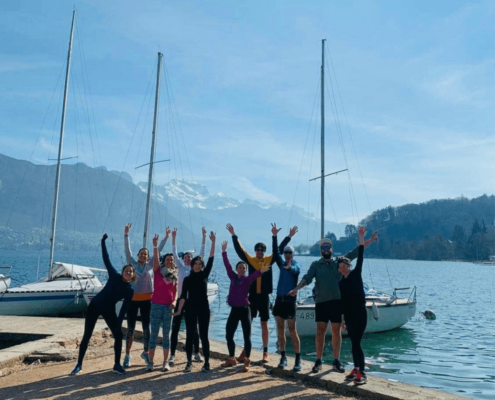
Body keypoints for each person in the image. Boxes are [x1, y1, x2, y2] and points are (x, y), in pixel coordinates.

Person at [289, 232, 377, 373]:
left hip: (337, 303)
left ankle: (336, 361)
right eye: (323, 247)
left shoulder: (340, 261)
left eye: (328, 247)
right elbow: (307, 278)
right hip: (322, 303)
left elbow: (357, 252)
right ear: (321, 250)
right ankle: (318, 361)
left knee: (336, 332)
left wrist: (370, 241)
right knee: (320, 331)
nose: (326, 249)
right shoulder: (316, 264)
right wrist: (296, 289)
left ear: (332, 249)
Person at [70, 234, 136, 376]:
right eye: (126, 271)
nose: (128, 273)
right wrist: (102, 242)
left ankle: (117, 365)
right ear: (123, 271)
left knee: (118, 335)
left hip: (108, 309)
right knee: (87, 335)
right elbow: (106, 259)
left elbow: (124, 309)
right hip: (95, 305)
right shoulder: (114, 275)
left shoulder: (129, 291)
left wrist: (118, 323)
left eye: (130, 272)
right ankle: (79, 364)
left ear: (132, 276)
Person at [225, 223, 291, 363]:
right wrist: (233, 235)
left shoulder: (268, 260)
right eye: (257, 250)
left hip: (264, 297)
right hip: (252, 297)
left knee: (264, 324)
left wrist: (284, 236)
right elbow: (240, 251)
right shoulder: (251, 261)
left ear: (264, 251)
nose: (259, 251)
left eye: (261, 250)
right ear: (255, 251)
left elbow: (278, 249)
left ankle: (265, 352)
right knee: (248, 324)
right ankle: (245, 351)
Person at [123, 223, 169, 368]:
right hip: (133, 300)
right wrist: (126, 235)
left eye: (146, 254)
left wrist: (164, 239)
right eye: (141, 254)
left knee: (145, 328)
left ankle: (145, 353)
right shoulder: (132, 264)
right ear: (138, 256)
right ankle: (127, 355)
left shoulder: (150, 265)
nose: (143, 255)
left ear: (148, 257)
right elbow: (127, 250)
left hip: (147, 301)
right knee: (130, 328)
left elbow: (158, 252)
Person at [220, 240, 270, 372]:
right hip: (234, 310)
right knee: (228, 334)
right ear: (237, 270)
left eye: (244, 268)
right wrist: (224, 252)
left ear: (245, 270)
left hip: (245, 310)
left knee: (246, 336)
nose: (242, 269)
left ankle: (247, 360)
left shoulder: (247, 279)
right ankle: (231, 358)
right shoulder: (232, 277)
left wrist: (262, 271)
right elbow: (227, 265)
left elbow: (255, 274)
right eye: (240, 267)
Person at [172, 231, 216, 373]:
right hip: (190, 309)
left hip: (204, 309)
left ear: (201, 265)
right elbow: (183, 296)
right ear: (191, 265)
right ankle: (189, 363)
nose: (197, 265)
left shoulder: (204, 274)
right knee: (190, 335)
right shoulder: (187, 279)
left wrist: (213, 242)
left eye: (199, 263)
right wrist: (179, 310)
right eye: (195, 263)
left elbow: (211, 258)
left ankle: (207, 363)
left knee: (204, 336)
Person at [339, 226, 377, 384]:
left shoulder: (356, 273)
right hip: (349, 316)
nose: (342, 269)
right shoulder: (341, 283)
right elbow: (342, 303)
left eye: (344, 266)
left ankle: (362, 373)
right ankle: (356, 369)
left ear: (349, 266)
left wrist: (361, 236)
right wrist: (342, 320)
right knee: (353, 344)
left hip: (361, 313)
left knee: (356, 343)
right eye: (339, 267)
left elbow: (360, 253)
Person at [168, 227, 206, 366]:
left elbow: (202, 254)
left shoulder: (196, 269)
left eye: (189, 257)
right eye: (185, 257)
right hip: (180, 300)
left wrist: (204, 237)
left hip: (193, 303)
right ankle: (172, 355)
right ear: (183, 259)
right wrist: (173, 238)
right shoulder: (180, 267)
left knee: (193, 329)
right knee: (175, 328)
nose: (188, 258)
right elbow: (173, 252)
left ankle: (197, 353)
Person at [271, 223, 301, 372]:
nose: (288, 255)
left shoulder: (295, 266)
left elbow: (295, 270)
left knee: (292, 330)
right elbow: (275, 251)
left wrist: (291, 267)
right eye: (286, 253)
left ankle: (297, 360)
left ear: (293, 255)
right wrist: (276, 236)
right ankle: (283, 358)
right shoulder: (281, 263)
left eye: (290, 253)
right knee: (280, 329)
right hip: (279, 300)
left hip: (290, 301)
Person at [147, 234, 178, 372]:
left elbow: (175, 291)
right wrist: (155, 246)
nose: (169, 261)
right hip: (156, 305)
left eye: (171, 260)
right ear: (163, 260)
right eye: (167, 259)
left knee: (167, 334)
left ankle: (165, 362)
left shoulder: (174, 274)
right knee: (153, 333)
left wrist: (175, 301)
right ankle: (150, 362)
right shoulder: (158, 271)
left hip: (168, 307)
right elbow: (155, 258)